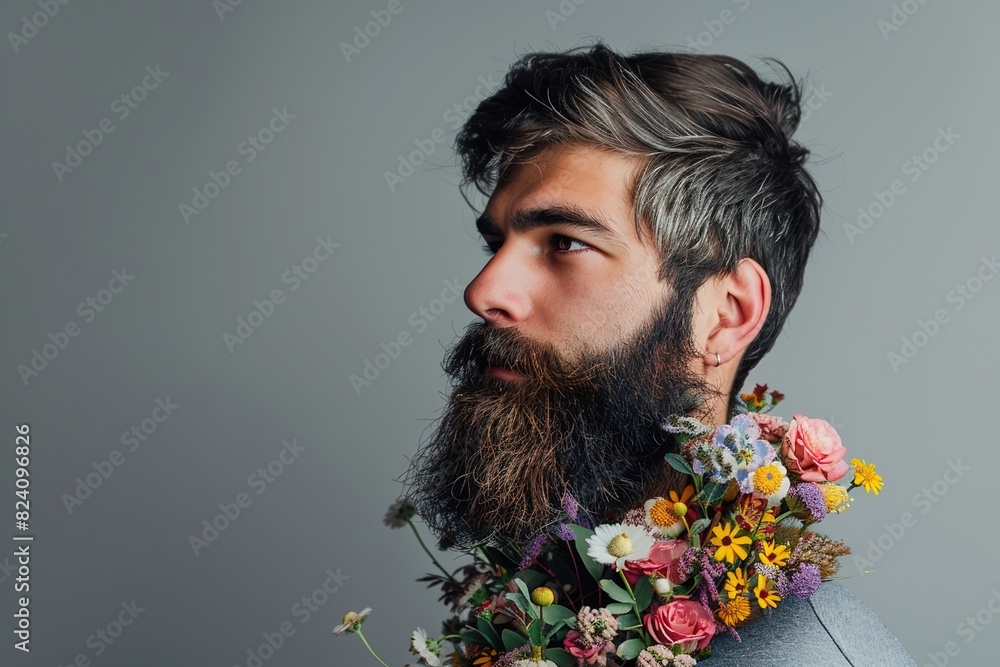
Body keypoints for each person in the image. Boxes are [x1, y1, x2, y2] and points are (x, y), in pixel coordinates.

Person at [402, 40, 915, 665]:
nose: (483, 292)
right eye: (496, 245)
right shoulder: (543, 604)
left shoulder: (802, 654)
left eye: (564, 242)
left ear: (726, 314)